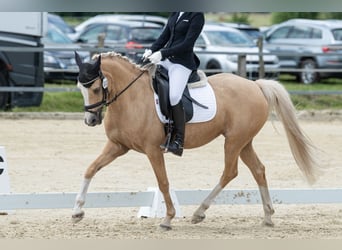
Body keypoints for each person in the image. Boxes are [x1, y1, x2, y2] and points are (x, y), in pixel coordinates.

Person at [142, 12, 205, 157]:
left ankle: (178, 140)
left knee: (174, 96)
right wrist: (151, 49)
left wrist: (163, 53)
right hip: (166, 60)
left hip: (182, 63)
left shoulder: (197, 15)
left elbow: (187, 44)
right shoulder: (176, 13)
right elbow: (164, 37)